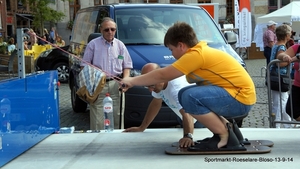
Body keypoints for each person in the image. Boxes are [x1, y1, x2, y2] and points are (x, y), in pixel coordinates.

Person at [121, 22, 256, 151]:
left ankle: (224, 136)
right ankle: (227, 130)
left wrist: (131, 81)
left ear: (181, 45)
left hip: (240, 99)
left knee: (188, 96)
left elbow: (162, 75)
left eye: (171, 49)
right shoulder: (199, 51)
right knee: (187, 93)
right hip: (240, 96)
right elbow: (158, 92)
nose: (172, 54)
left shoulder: (195, 55)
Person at [123, 63, 204, 147]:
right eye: (147, 87)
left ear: (160, 76)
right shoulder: (158, 83)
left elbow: (188, 114)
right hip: (183, 117)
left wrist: (188, 136)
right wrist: (142, 127)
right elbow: (155, 104)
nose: (151, 90)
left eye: (152, 85)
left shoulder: (176, 89)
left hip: (201, 119)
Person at [81, 17, 133, 130]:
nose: (110, 32)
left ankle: (116, 142)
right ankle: (96, 142)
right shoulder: (93, 45)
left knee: (117, 115)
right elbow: (84, 66)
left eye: (112, 29)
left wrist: (125, 80)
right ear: (101, 30)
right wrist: (92, 81)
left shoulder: (120, 45)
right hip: (98, 84)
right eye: (107, 29)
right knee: (97, 116)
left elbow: (127, 66)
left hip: (116, 84)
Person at [269, 24, 292, 128]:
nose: (291, 35)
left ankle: (288, 124)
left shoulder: (276, 45)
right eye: (290, 33)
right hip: (280, 78)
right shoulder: (281, 47)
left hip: (274, 77)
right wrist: (289, 61)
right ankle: (278, 125)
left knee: (280, 101)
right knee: (281, 102)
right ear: (286, 35)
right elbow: (279, 63)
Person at [277, 43, 300, 122]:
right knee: (290, 109)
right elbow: (280, 56)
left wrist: (294, 58)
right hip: (297, 85)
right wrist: (284, 56)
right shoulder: (298, 47)